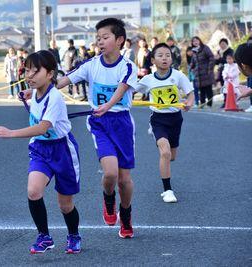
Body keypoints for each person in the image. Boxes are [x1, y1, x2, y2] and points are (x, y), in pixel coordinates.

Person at [43, 18, 138, 238]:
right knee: (111, 173)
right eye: (98, 39)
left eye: (105, 37)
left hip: (122, 123)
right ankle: (108, 198)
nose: (100, 42)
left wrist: (108, 105)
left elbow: (122, 89)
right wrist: (40, 89)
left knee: (125, 180)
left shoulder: (128, 66)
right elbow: (64, 81)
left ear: (119, 40)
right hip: (99, 123)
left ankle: (126, 215)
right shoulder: (91, 64)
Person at [0, 50, 82, 254]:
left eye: (35, 71)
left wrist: (11, 133)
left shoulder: (55, 98)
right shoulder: (35, 92)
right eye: (27, 71)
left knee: (65, 204)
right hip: (40, 149)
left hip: (63, 150)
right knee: (33, 191)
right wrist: (28, 94)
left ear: (50, 74)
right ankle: (44, 237)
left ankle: (74, 235)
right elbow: (35, 103)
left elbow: (43, 127)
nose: (29, 76)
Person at [135, 43, 194, 203]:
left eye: (167, 55)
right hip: (158, 119)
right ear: (153, 60)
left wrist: (189, 102)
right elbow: (130, 90)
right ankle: (167, 190)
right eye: (160, 55)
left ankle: (165, 154)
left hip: (175, 119)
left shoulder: (178, 76)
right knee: (165, 153)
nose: (164, 58)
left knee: (172, 156)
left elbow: (190, 93)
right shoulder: (147, 80)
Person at [190, 36, 215, 108]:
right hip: (198, 75)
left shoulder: (205, 48)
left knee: (208, 89)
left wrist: (209, 69)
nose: (195, 42)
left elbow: (211, 58)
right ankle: (202, 104)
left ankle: (209, 104)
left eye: (196, 40)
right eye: (193, 41)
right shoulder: (194, 51)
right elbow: (193, 62)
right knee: (201, 90)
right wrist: (192, 68)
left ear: (199, 40)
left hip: (206, 72)